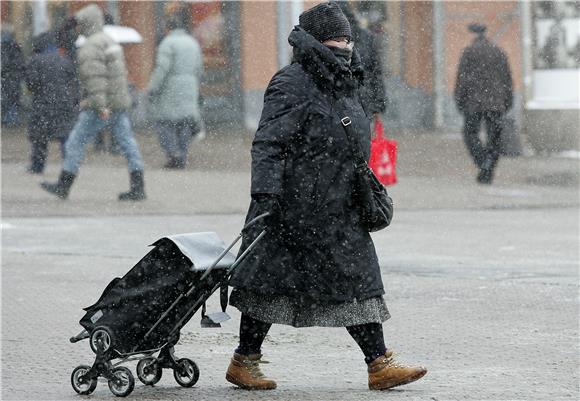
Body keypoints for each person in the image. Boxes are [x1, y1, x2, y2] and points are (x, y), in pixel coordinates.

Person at [225, 2, 426, 391]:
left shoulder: (344, 80)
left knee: (357, 280)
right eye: (337, 37)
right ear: (316, 41)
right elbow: (268, 145)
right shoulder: (291, 82)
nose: (346, 44)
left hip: (339, 204)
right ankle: (244, 361)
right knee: (268, 285)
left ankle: (379, 363)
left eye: (349, 37)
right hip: (293, 206)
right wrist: (266, 195)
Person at [41, 4, 145, 201]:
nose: (77, 27)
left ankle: (64, 185)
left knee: (75, 142)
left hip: (101, 104)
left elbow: (96, 79)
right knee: (127, 142)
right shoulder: (109, 40)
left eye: (79, 24)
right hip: (117, 102)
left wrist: (100, 105)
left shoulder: (90, 46)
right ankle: (138, 186)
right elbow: (117, 76)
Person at [454, 23, 513, 184]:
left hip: (473, 104)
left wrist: (459, 101)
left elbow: (462, 80)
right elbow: (507, 79)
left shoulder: (468, 53)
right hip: (496, 103)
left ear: (473, 35)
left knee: (470, 134)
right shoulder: (498, 52)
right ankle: (488, 166)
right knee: (494, 138)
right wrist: (507, 101)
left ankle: (483, 162)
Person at [147, 13, 203, 169]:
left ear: (168, 27)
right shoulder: (193, 43)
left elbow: (162, 68)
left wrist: (153, 88)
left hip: (171, 89)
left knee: (165, 123)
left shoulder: (168, 43)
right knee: (185, 123)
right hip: (190, 87)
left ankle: (173, 154)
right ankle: (182, 156)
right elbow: (199, 69)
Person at [25, 32, 79, 174]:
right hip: (64, 104)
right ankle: (70, 166)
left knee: (39, 136)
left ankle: (37, 166)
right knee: (64, 136)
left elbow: (31, 84)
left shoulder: (35, 60)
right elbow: (74, 83)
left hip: (42, 104)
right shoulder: (64, 60)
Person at [337, 1, 387, 122]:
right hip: (362, 101)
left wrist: (378, 105)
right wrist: (378, 104)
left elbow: (376, 72)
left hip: (347, 103)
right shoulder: (366, 37)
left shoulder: (326, 38)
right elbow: (376, 73)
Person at [1, 26, 24, 127]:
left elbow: (5, 63)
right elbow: (20, 63)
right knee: (14, 98)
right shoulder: (15, 47)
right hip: (14, 77)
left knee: (7, 98)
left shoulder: (3, 48)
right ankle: (12, 118)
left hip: (7, 77)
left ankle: (8, 118)